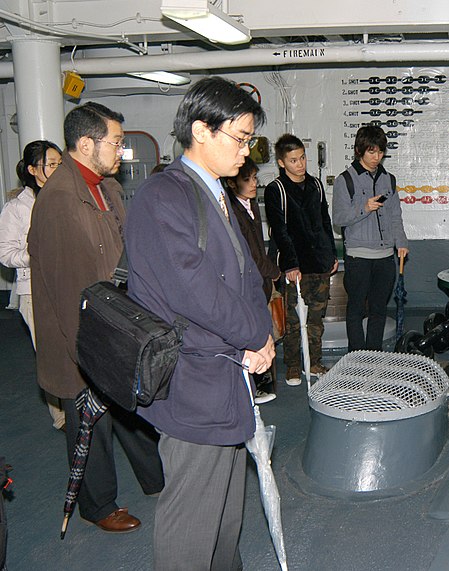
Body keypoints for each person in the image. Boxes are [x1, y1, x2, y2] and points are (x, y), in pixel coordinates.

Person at [125, 77, 275, 570]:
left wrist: (264, 335)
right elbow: (197, 293)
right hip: (192, 384)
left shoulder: (213, 193)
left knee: (226, 514)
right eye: (240, 138)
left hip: (226, 375)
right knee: (191, 521)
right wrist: (253, 335)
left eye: (250, 140)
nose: (246, 152)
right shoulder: (161, 198)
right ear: (201, 131)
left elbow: (247, 273)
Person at [27, 103, 163, 533]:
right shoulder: (60, 201)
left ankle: (156, 478)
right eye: (117, 143)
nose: (121, 152)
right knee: (92, 429)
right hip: (85, 338)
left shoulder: (107, 187)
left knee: (133, 410)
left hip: (117, 323)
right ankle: (98, 505)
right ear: (86, 144)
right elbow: (67, 292)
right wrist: (91, 356)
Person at [0, 139, 65, 430]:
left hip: (66, 286)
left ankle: (78, 408)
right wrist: (36, 254)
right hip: (33, 291)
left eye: (60, 164)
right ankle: (61, 417)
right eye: (51, 164)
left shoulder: (64, 197)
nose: (57, 169)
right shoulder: (17, 208)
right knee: (49, 355)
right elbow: (5, 254)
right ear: (32, 169)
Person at [265, 134, 338, 385]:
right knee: (294, 321)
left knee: (316, 319)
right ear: (282, 163)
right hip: (293, 268)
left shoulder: (316, 185)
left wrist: (332, 255)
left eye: (303, 158)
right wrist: (290, 265)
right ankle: (294, 365)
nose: (300, 164)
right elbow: (279, 231)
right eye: (294, 160)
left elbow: (324, 222)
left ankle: (314, 362)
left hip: (319, 263)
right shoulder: (276, 190)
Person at [332, 125, 408, 352]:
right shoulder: (345, 180)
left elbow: (395, 215)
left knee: (379, 310)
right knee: (355, 310)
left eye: (381, 152)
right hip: (358, 257)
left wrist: (401, 242)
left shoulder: (389, 179)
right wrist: (364, 207)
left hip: (385, 257)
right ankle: (356, 356)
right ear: (359, 151)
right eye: (371, 152)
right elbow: (339, 218)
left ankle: (373, 355)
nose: (377, 157)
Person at [224, 156, 281, 401]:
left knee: (265, 328)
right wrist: (274, 271)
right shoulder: (233, 211)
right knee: (253, 332)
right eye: (247, 179)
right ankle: (255, 385)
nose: (253, 183)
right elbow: (249, 254)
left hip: (261, 280)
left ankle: (265, 381)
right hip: (248, 281)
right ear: (233, 183)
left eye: (255, 178)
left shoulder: (252, 205)